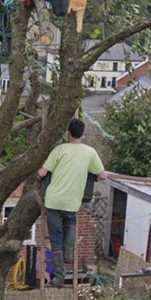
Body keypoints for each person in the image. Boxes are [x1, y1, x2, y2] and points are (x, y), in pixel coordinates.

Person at [37, 118, 107, 287]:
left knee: (55, 238)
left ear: (68, 133)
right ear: (82, 134)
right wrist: (93, 174)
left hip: (53, 201)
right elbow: (103, 175)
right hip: (72, 201)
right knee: (70, 222)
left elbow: (41, 173)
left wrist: (39, 170)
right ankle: (68, 250)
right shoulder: (90, 152)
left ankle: (59, 276)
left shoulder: (59, 150)